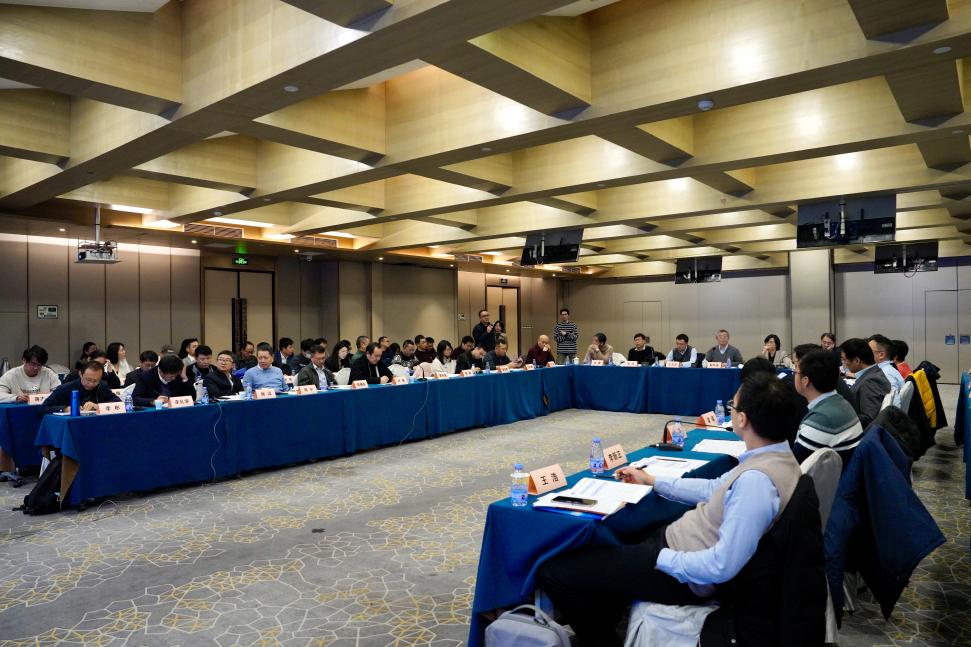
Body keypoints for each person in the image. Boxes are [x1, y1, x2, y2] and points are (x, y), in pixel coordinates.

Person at [537, 373, 803, 646]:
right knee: (610, 545)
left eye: (732, 406)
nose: (731, 411)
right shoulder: (776, 457)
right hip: (680, 544)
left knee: (555, 573)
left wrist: (662, 558)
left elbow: (721, 566)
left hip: (683, 572)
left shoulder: (756, 483)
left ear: (743, 419)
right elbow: (714, 488)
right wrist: (653, 481)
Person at [792, 348, 865, 468]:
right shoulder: (839, 402)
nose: (793, 375)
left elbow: (793, 467)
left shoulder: (821, 420)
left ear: (805, 381)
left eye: (795, 372)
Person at [841, 337, 891, 428]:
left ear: (856, 361)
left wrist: (840, 417)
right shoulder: (874, 373)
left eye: (844, 360)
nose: (843, 363)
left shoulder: (871, 381)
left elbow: (869, 419)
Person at [44, 361, 120, 414]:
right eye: (88, 379)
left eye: (96, 381)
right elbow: (43, 408)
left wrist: (97, 406)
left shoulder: (102, 386)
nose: (91, 384)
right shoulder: (65, 388)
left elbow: (119, 403)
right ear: (80, 374)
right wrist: (64, 409)